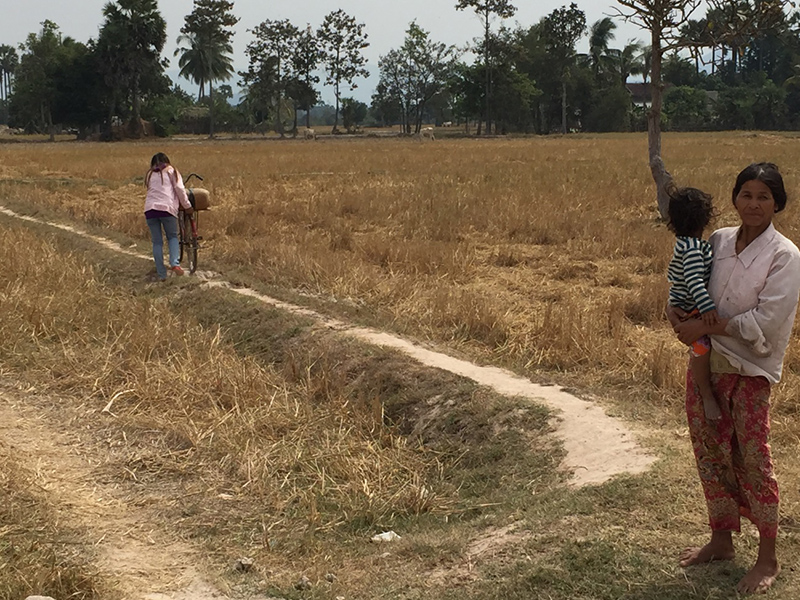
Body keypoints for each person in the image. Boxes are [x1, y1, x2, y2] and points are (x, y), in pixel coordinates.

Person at [667, 162, 800, 594]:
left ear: (777, 203)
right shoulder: (720, 240)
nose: (754, 204)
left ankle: (767, 558)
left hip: (751, 370)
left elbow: (768, 321)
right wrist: (676, 312)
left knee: (754, 459)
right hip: (708, 363)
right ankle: (721, 540)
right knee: (710, 451)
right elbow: (689, 283)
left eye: (764, 196)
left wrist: (705, 327)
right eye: (746, 194)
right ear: (734, 198)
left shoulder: (785, 256)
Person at [667, 187, 721, 421]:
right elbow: (693, 281)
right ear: (705, 219)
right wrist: (707, 307)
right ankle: (707, 395)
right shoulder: (691, 249)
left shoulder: (690, 244)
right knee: (701, 349)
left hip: (689, 304)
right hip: (690, 307)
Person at [144, 152, 193, 281]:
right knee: (172, 236)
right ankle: (174, 263)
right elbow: (180, 189)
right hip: (167, 208)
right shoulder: (171, 171)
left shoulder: (150, 174)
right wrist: (187, 206)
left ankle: (161, 274)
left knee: (157, 242)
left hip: (150, 210)